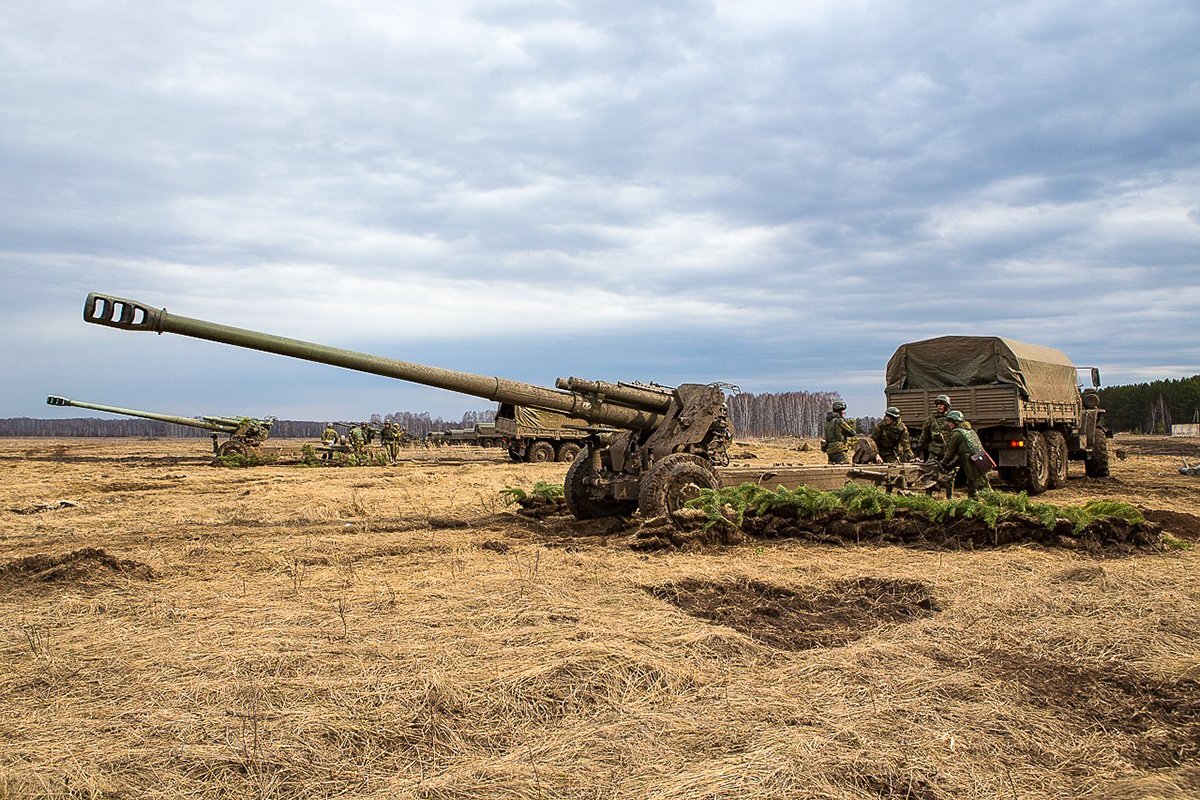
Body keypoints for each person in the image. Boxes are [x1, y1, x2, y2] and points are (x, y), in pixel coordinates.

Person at [940, 410, 992, 497]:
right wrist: (951, 465)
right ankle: (973, 502)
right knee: (974, 483)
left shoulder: (957, 434)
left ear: (955, 422)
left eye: (950, 422)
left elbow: (950, 452)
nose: (948, 424)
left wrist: (943, 463)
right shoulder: (970, 431)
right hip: (979, 459)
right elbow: (962, 454)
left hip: (970, 461)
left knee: (979, 484)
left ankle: (995, 503)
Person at [917, 394, 953, 461]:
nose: (939, 406)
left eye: (942, 404)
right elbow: (925, 432)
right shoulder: (932, 417)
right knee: (930, 466)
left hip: (949, 449)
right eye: (938, 404)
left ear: (946, 405)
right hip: (935, 449)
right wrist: (920, 445)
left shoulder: (952, 416)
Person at [823, 400, 857, 464]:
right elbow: (852, 433)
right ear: (839, 410)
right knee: (845, 465)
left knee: (832, 468)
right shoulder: (839, 420)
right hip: (838, 448)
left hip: (829, 449)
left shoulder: (828, 421)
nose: (843, 412)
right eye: (842, 410)